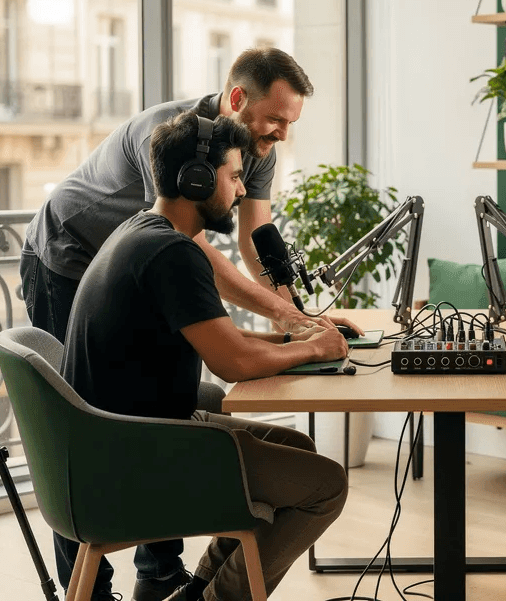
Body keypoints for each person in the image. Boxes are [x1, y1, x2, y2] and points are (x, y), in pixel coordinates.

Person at [20, 47, 358, 600]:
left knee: (186, 400)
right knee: (77, 413)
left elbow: (249, 244)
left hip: (131, 261)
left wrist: (295, 320)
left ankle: (167, 582)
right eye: (273, 120)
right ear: (236, 101)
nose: (277, 137)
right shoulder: (173, 145)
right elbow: (201, 263)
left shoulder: (240, 160)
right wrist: (307, 347)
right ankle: (94, 586)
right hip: (66, 251)